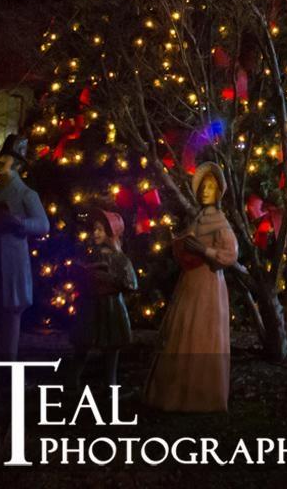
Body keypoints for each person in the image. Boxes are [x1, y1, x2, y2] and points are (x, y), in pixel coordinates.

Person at [143, 162, 238, 412]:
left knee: (201, 332)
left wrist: (204, 250)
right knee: (184, 329)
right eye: (203, 186)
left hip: (208, 284)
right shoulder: (200, 217)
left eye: (211, 187)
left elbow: (230, 254)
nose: (206, 191)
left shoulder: (218, 220)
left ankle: (201, 395)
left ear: (219, 192)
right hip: (191, 282)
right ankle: (176, 393)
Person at [0, 134, 49, 362]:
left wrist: (19, 223)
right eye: (1, 157)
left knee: (11, 314)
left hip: (12, 261)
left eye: (5, 158)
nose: (0, 161)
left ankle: (9, 364)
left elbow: (43, 224)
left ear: (16, 163)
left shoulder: (26, 194)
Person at [67, 209, 137, 393]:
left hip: (111, 307)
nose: (95, 233)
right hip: (90, 306)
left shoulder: (120, 259)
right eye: (94, 229)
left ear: (110, 231)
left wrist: (109, 279)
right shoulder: (90, 255)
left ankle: (110, 382)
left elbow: (131, 283)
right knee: (82, 344)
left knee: (111, 346)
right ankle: (73, 379)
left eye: (100, 229)